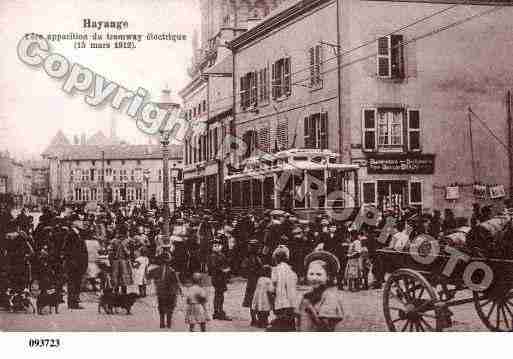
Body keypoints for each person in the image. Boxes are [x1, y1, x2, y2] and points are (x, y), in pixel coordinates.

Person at [297, 251, 344, 331]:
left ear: (328, 276)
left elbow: (325, 327)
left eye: (319, 274)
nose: (314, 278)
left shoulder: (330, 296)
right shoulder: (309, 294)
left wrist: (310, 308)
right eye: (311, 274)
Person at [148, 250, 183, 329]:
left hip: (161, 292)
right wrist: (180, 290)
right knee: (170, 308)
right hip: (170, 292)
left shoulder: (156, 270)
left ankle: (162, 323)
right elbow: (176, 282)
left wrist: (156, 281)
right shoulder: (172, 271)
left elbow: (149, 275)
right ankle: (169, 323)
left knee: (161, 307)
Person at [62, 214, 88, 309]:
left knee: (77, 283)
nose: (81, 222)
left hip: (79, 263)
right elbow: (66, 249)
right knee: (73, 283)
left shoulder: (78, 233)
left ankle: (74, 301)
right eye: (79, 220)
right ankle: (72, 303)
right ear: (73, 222)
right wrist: (72, 261)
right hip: (74, 263)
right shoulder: (70, 234)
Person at [269, 245, 298, 331]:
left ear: (276, 258)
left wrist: (271, 301)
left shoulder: (275, 270)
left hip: (280, 303)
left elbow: (271, 288)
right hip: (291, 303)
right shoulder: (291, 271)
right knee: (290, 326)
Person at [240, 239, 263, 326]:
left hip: (255, 280)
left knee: (253, 300)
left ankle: (255, 319)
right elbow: (244, 271)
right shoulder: (250, 259)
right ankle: (254, 319)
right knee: (253, 300)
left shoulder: (255, 258)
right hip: (253, 281)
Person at [208, 238, 231, 320]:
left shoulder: (221, 255)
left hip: (221, 277)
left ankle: (218, 311)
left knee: (219, 294)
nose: (217, 247)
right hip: (217, 277)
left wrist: (227, 269)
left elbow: (225, 264)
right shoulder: (213, 256)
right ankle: (218, 311)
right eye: (215, 245)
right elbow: (213, 267)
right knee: (219, 294)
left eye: (218, 245)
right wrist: (223, 270)